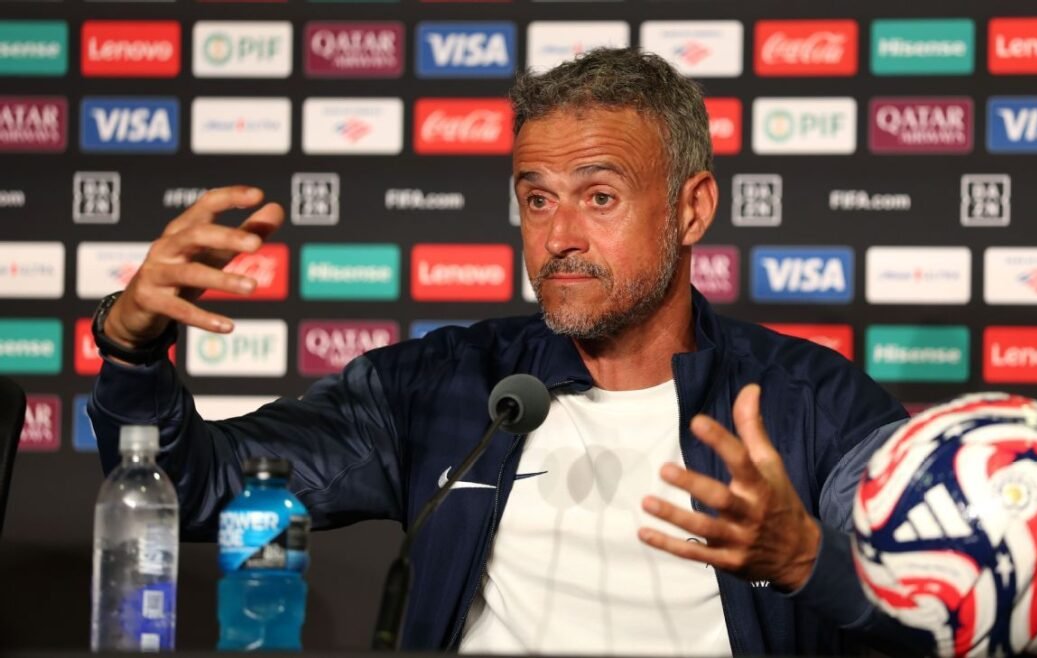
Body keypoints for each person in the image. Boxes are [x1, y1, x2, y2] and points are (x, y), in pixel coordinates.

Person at [88, 48, 922, 655]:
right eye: (538, 199)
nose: (560, 236)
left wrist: (809, 564)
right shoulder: (445, 387)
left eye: (600, 197)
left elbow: (951, 617)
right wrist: (132, 349)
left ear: (691, 209)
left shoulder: (812, 405)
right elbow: (194, 494)